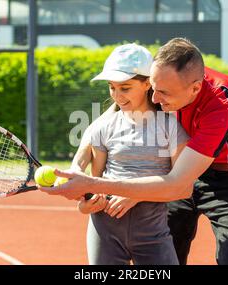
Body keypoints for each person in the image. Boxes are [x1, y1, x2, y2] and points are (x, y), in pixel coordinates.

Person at [41, 38, 228, 265]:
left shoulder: (220, 104)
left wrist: (102, 186)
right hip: (176, 168)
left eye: (162, 93)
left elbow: (178, 184)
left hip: (225, 179)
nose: (154, 99)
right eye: (153, 88)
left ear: (194, 88)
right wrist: (78, 164)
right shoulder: (164, 74)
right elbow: (102, 122)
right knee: (171, 253)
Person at [71, 43, 189, 265]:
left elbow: (182, 188)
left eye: (125, 88)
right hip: (104, 233)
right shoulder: (103, 127)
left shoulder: (170, 127)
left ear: (147, 84)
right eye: (111, 87)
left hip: (152, 236)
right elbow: (95, 183)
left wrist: (136, 193)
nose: (117, 96)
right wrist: (85, 204)